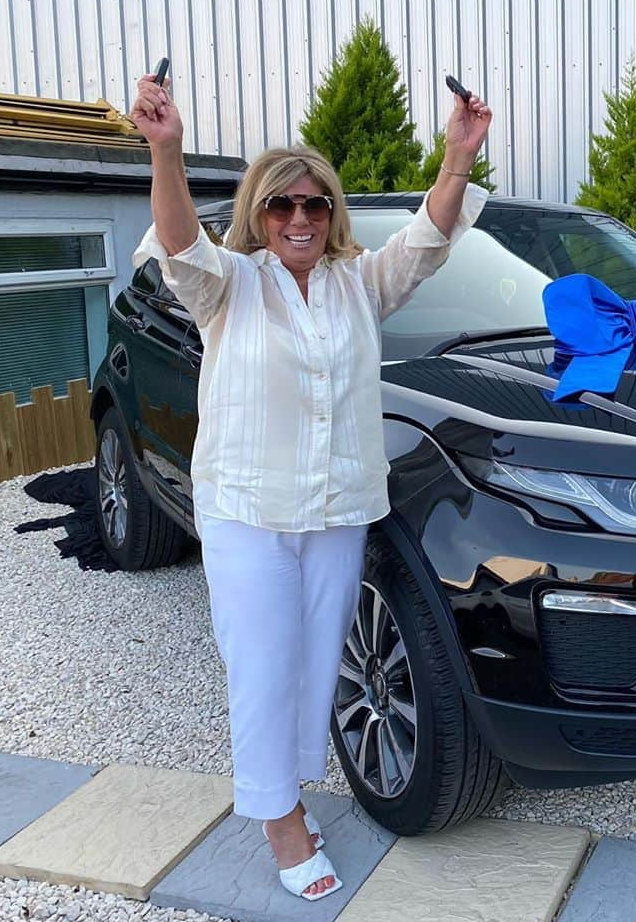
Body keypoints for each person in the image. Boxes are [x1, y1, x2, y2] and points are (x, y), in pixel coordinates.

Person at [128, 70, 492, 901]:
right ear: (258, 214)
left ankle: (285, 789)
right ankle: (280, 820)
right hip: (249, 510)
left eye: (314, 205)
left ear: (332, 214)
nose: (299, 219)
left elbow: (429, 240)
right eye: (281, 206)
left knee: (316, 662)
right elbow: (180, 243)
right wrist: (167, 150)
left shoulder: (357, 285)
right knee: (262, 665)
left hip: (335, 510)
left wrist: (459, 156)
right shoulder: (230, 285)